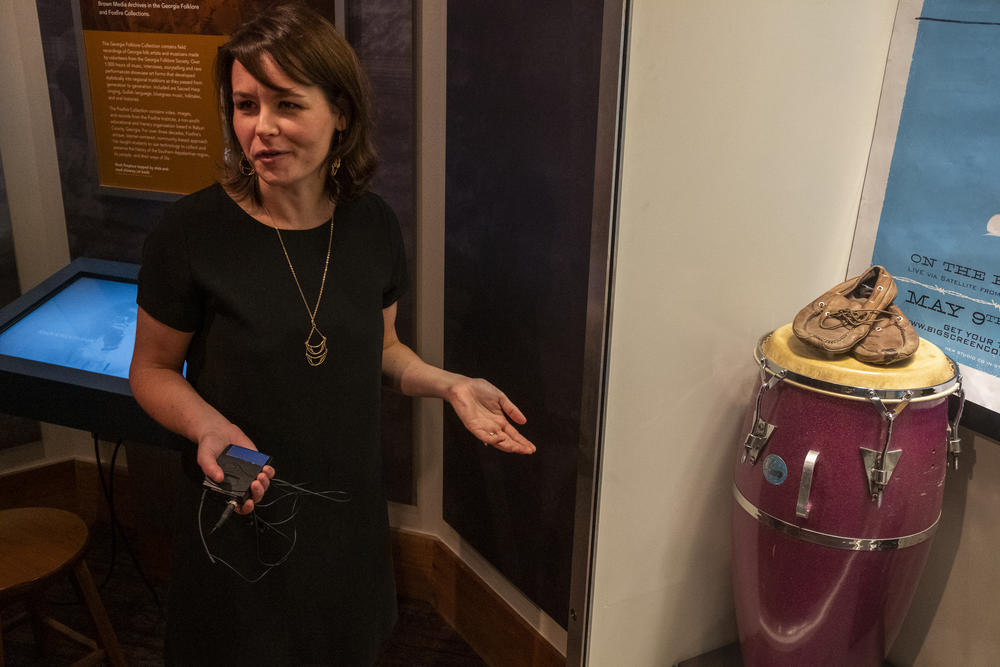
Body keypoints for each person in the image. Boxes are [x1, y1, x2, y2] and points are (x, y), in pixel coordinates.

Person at [128, 3, 535, 664]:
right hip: (243, 498)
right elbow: (148, 370)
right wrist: (208, 427)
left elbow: (381, 348)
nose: (262, 128)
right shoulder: (190, 235)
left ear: (340, 112)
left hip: (346, 507)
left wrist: (452, 384)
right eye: (245, 104)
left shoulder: (372, 225)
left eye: (288, 104)